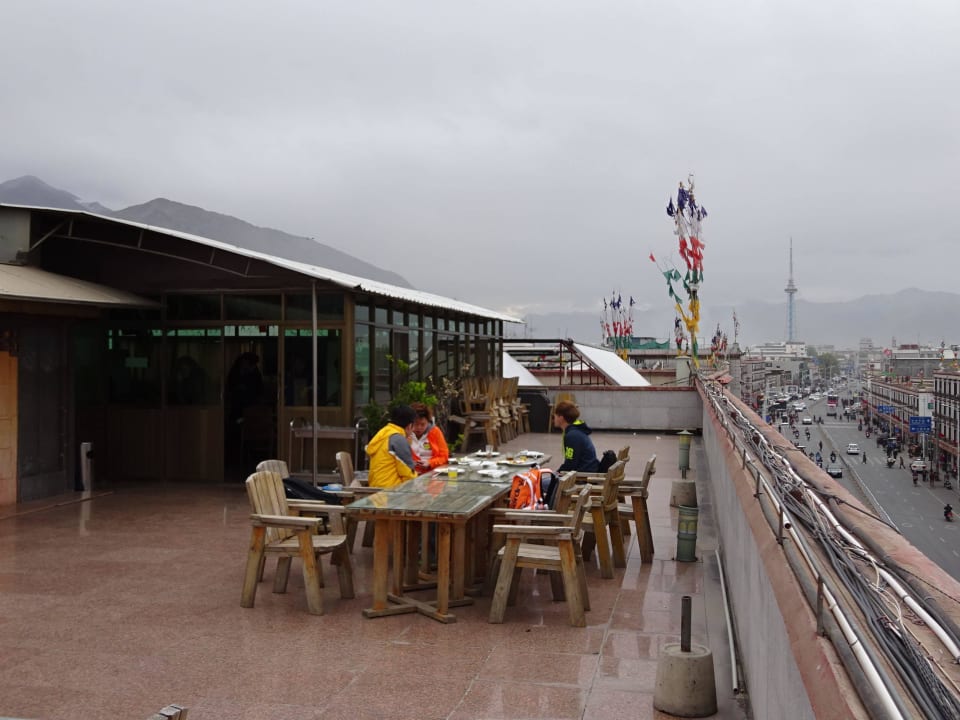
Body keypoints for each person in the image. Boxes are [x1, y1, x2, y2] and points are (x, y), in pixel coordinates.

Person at [366, 404, 417, 488]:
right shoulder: (398, 440)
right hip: (391, 494)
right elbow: (408, 475)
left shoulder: (383, 433)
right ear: (409, 426)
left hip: (376, 491)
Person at [553, 400, 600, 472]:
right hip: (587, 471)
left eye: (555, 416)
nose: (554, 419)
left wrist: (555, 474)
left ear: (561, 418)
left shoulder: (572, 436)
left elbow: (570, 465)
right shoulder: (577, 431)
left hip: (582, 477)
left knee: (543, 482)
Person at [409, 402, 450, 474]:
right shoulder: (405, 434)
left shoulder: (435, 432)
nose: (419, 427)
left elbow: (444, 456)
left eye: (423, 424)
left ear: (428, 422)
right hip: (411, 473)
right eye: (416, 424)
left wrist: (430, 463)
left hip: (433, 472)